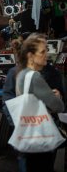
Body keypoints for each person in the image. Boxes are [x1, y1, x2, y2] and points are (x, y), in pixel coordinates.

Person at [12, 33, 64, 172]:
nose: (46, 54)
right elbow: (58, 106)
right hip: (39, 138)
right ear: (30, 55)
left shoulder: (21, 74)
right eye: (42, 51)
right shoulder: (34, 76)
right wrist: (57, 97)